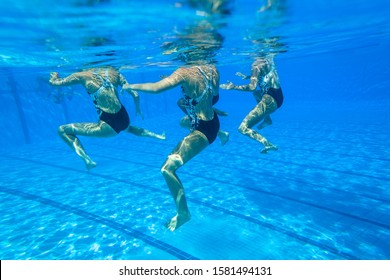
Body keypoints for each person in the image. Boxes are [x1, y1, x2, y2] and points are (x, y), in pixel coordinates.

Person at [123, 64, 220, 231]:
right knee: (183, 121)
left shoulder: (184, 71)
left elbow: (155, 89)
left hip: (203, 129)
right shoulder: (212, 69)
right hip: (211, 122)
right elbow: (214, 98)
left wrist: (129, 85)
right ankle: (222, 133)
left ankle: (183, 213)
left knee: (167, 169)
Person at [49, 66, 165, 170]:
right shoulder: (114, 72)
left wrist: (53, 75)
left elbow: (55, 83)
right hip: (124, 117)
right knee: (128, 129)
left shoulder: (81, 75)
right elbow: (135, 94)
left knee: (62, 130)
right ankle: (158, 136)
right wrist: (138, 109)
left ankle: (88, 161)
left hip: (108, 124)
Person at [220, 56, 283, 153]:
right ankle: (267, 119)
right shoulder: (268, 61)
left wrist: (233, 87)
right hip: (278, 96)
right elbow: (265, 76)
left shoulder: (256, 66)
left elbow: (252, 87)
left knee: (243, 128)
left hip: (270, 101)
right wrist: (249, 77)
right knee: (257, 93)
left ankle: (268, 144)